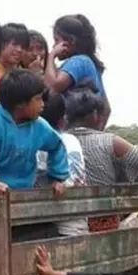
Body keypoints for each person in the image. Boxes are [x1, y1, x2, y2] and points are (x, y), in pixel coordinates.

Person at [63, 82, 138, 231]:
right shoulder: (108, 141)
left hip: (64, 220)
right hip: (101, 223)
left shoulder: (56, 141)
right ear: (95, 115)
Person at [0, 69, 68, 195]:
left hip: (25, 191)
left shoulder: (39, 125)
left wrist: (57, 178)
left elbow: (57, 145)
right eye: (38, 99)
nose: (43, 105)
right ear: (20, 103)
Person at [44, 14, 111, 126]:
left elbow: (51, 87)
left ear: (71, 41)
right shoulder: (90, 63)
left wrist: (51, 56)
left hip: (73, 130)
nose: (54, 45)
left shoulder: (79, 61)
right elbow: (107, 109)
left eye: (56, 40)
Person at [37, 90, 87, 237]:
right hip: (77, 221)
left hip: (45, 222)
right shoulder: (72, 140)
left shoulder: (35, 142)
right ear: (62, 120)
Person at [0, 22, 30, 107]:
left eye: (23, 47)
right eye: (15, 44)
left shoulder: (22, 75)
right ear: (1, 43)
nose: (19, 50)